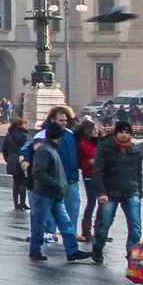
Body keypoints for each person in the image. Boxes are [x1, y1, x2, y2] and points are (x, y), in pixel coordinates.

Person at [26, 112, 85, 262]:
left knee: (64, 223)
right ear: (58, 137)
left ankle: (72, 250)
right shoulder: (45, 150)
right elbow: (38, 172)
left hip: (54, 193)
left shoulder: (49, 148)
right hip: (45, 193)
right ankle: (35, 249)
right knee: (40, 222)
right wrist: (56, 184)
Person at [90, 120, 143, 260]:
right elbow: (98, 172)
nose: (124, 135)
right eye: (121, 132)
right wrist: (101, 193)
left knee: (135, 225)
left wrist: (139, 190)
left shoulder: (135, 150)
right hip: (110, 192)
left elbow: (138, 172)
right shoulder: (105, 147)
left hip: (131, 191)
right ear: (116, 133)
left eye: (127, 132)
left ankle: (132, 254)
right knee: (104, 223)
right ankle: (97, 247)